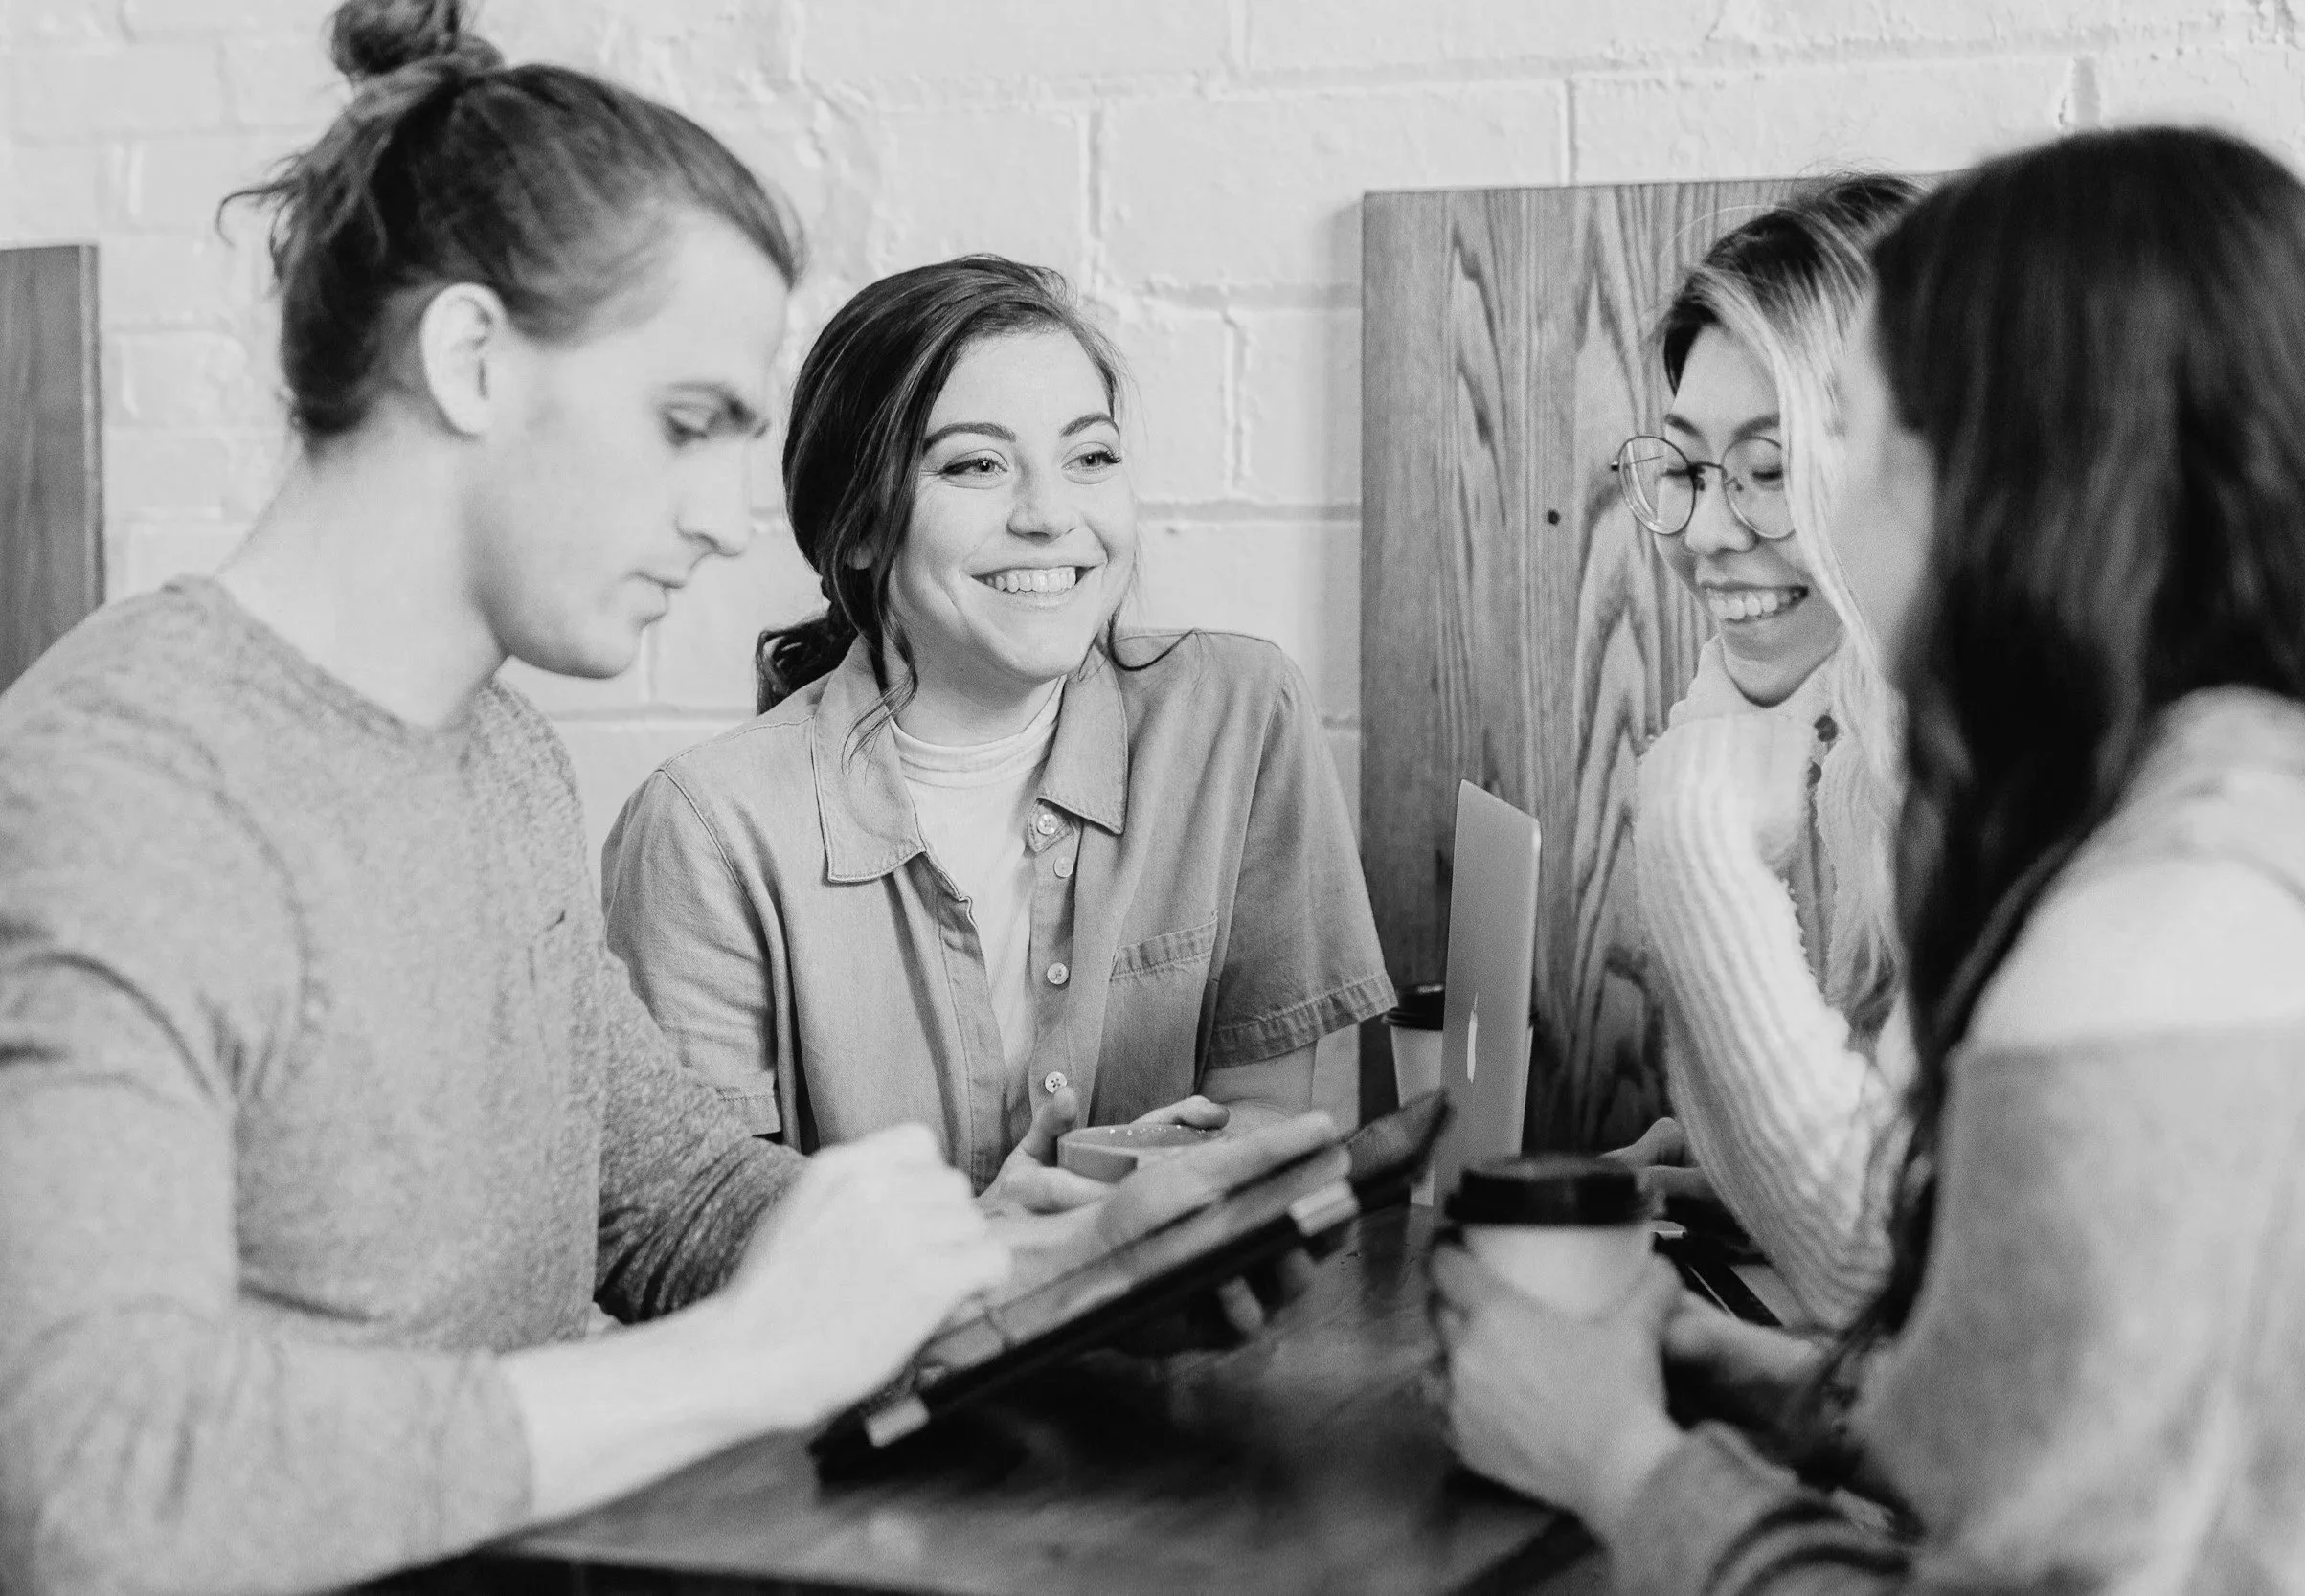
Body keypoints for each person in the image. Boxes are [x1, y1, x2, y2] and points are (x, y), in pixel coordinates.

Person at [0, 6, 1339, 1592]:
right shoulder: (119, 784)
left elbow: (682, 1197)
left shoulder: (495, 758)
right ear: (472, 358)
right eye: (688, 423)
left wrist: (1049, 1272)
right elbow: (89, 1477)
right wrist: (746, 1361)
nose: (726, 518)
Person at [1434, 125, 2305, 1588]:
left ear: (2017, 475)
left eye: (1858, 435)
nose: (1824, 503)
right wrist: (1781, 1391)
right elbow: (2131, 1442)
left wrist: (1612, 1453)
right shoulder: (2296, 816)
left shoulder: (2153, 933)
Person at [601, 255, 1395, 1201]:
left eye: (1090, 457)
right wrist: (1002, 1242)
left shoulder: (1236, 714)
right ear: (856, 525)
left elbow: (1269, 1115)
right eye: (974, 464)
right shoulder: (705, 828)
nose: (1052, 514)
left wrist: (1153, 1177)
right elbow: (699, 1233)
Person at [1611, 175, 1918, 1326]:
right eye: (1686, 467)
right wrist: (1745, 1168)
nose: (1703, 529)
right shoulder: (1792, 724)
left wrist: (1690, 835)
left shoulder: (2001, 768)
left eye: (1771, 466)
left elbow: (1878, 1274)